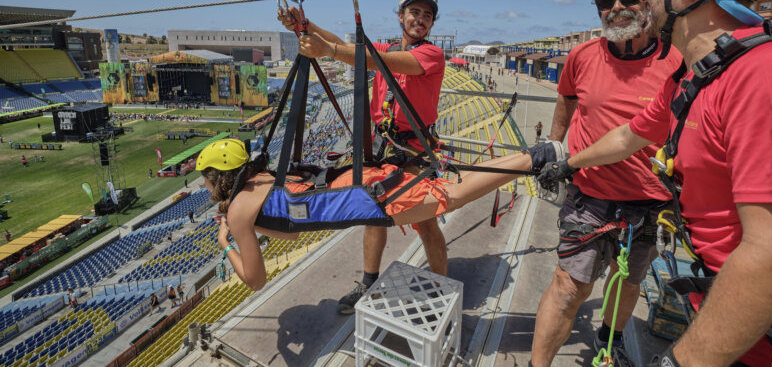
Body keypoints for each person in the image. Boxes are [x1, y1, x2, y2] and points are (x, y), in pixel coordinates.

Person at [538, 0, 772, 367]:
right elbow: (630, 135)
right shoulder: (697, 78)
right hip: (733, 318)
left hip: (763, 340)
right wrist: (566, 162)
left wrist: (680, 361)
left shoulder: (767, 72)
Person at [530, 0, 683, 366]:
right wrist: (554, 148)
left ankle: (608, 339)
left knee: (627, 280)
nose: (616, 8)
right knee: (568, 287)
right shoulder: (582, 56)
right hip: (589, 194)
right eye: (605, 2)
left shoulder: (677, 61)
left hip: (649, 201)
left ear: (649, 1)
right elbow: (566, 100)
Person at [279, 0, 449, 315]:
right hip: (384, 146)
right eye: (414, 12)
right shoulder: (387, 48)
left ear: (431, 24)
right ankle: (369, 281)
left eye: (427, 15)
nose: (420, 19)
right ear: (401, 17)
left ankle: (440, 288)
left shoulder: (431, 54)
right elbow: (346, 46)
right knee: (373, 215)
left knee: (426, 221)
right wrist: (304, 24)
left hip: (413, 151)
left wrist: (328, 50)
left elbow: (371, 59)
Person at [199, 138, 560, 292]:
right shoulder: (261, 179)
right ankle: (534, 155)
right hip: (360, 184)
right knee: (452, 187)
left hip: (367, 198)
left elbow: (255, 281)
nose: (204, 185)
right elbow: (292, 230)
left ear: (218, 177)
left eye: (205, 178)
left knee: (453, 194)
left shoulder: (239, 209)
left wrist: (226, 242)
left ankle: (536, 158)